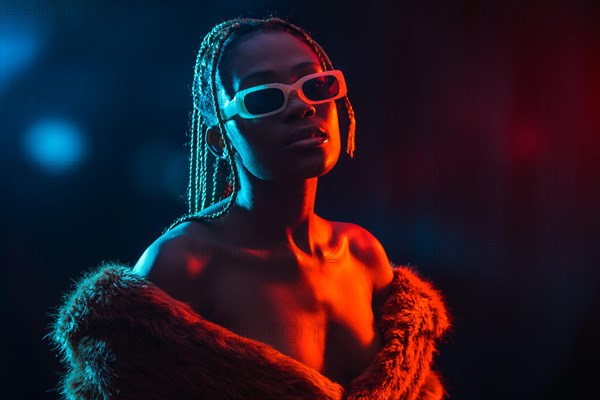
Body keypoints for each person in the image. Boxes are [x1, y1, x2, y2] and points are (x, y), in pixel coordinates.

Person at [51, 17, 449, 400]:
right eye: (264, 96)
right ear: (219, 140)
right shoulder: (184, 264)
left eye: (316, 84)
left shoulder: (362, 253)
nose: (302, 107)